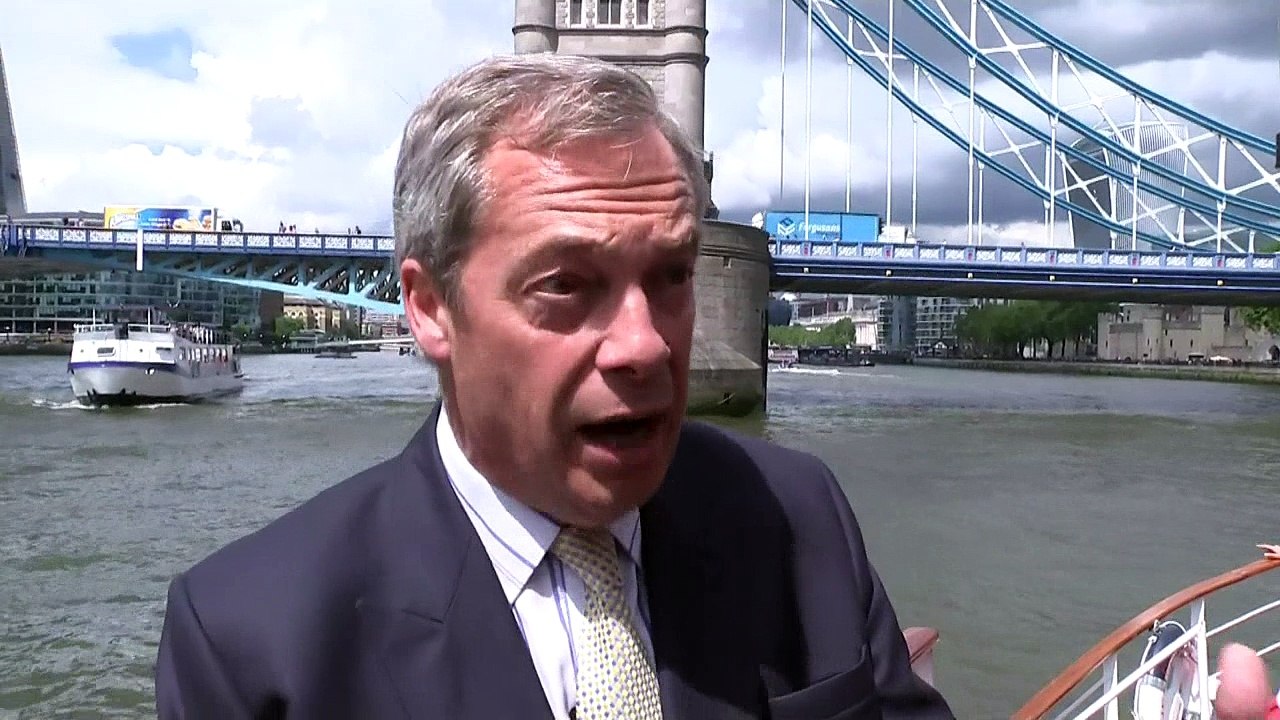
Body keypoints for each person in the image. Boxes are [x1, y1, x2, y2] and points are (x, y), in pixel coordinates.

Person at [154, 53, 953, 719]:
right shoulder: (251, 644)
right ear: (430, 308)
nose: (645, 344)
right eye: (567, 284)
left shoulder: (798, 516)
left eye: (672, 276)